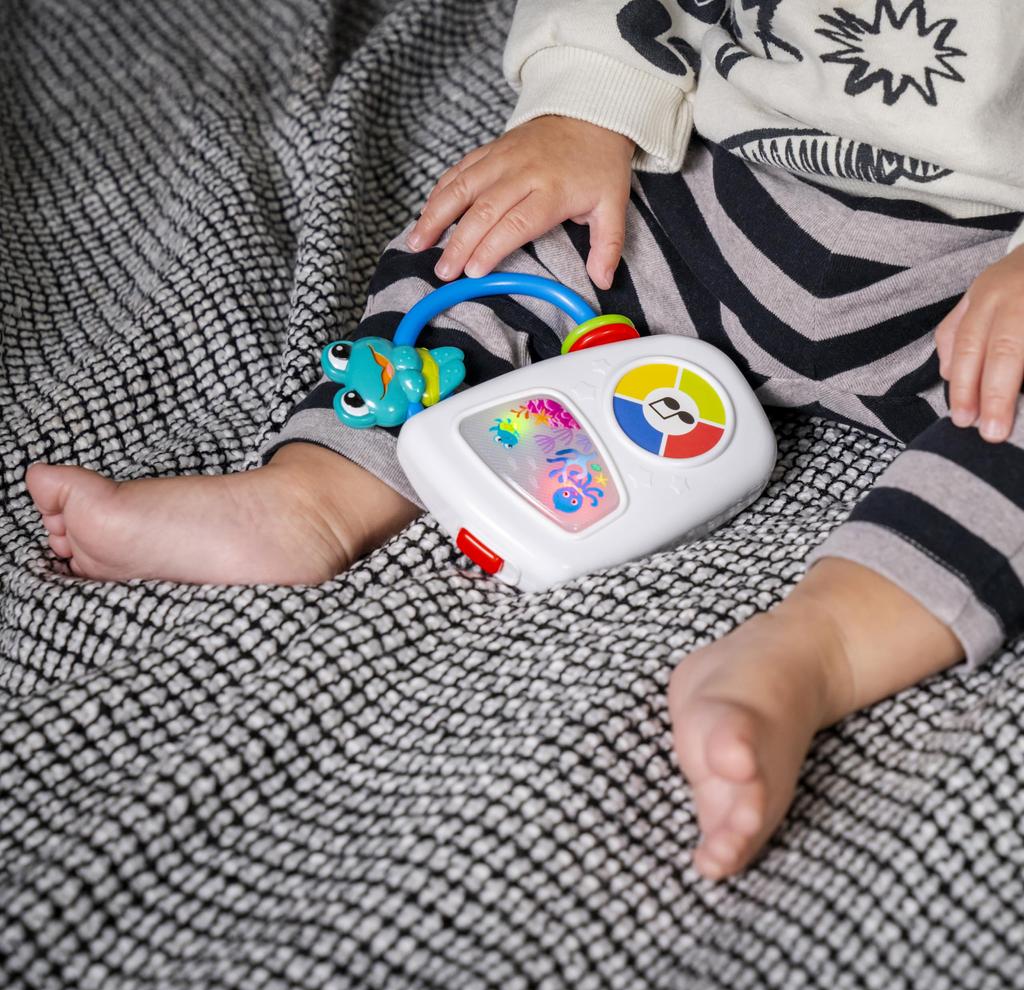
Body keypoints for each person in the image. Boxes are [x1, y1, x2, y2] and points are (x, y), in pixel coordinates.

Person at [25, 0, 1024, 880]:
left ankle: (819, 647)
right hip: (720, 194)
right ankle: (319, 488)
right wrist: (584, 104)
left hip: (979, 274)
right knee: (487, 239)